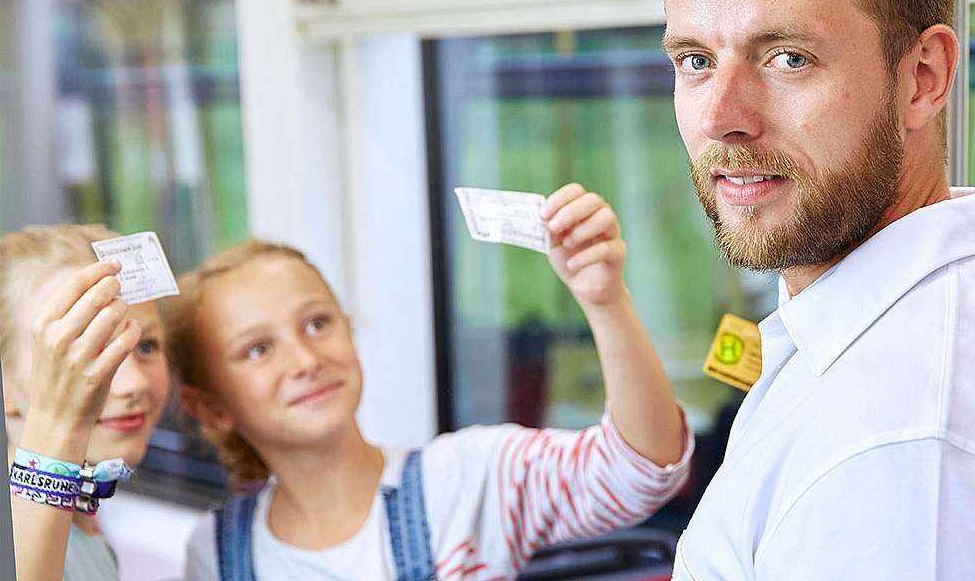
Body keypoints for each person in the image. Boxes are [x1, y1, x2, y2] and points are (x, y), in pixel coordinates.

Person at [644, 0, 975, 578]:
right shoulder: (899, 338)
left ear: (923, 77)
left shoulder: (904, 452)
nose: (719, 118)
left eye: (789, 58)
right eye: (696, 61)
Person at [171, 184, 692, 580]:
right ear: (211, 408)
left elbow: (641, 468)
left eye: (317, 323)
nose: (305, 358)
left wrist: (605, 302)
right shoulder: (215, 553)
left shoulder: (466, 479)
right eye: (257, 349)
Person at [0, 225, 172, 581]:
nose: (134, 384)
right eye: (86, 351)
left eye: (146, 346)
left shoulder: (87, 530)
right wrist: (58, 421)